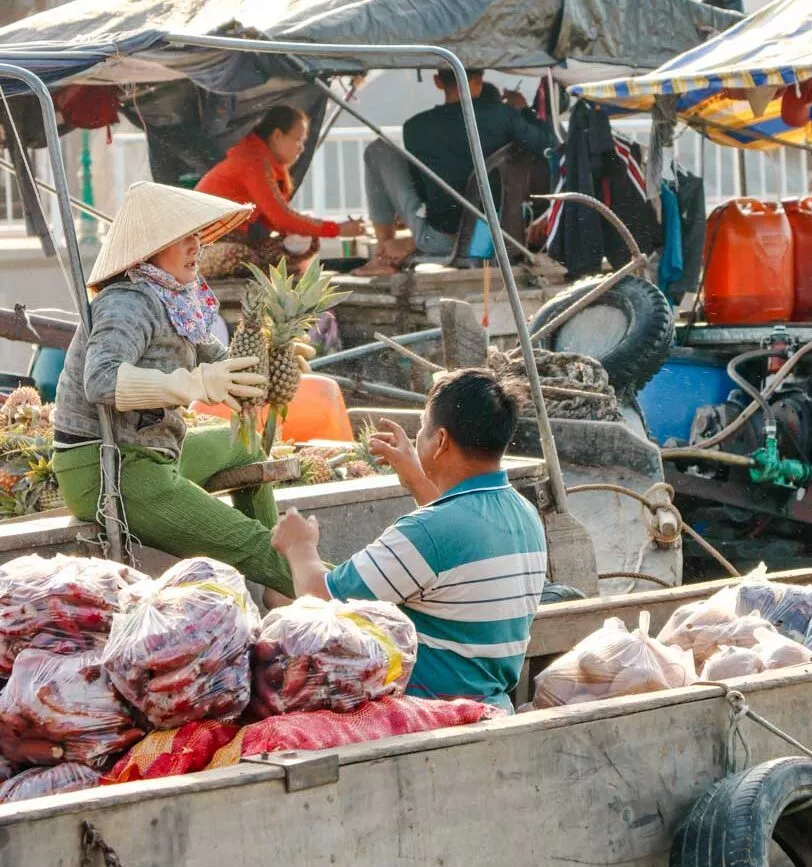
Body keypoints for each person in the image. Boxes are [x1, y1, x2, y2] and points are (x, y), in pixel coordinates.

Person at [53, 181, 311, 600]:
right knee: (250, 542)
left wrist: (272, 360)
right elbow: (100, 380)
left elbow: (223, 363)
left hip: (152, 456)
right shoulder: (127, 302)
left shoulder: (175, 299)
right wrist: (190, 384)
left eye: (197, 236)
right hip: (107, 470)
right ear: (151, 248)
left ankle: (276, 589)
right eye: (184, 237)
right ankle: (350, 591)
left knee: (245, 447)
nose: (197, 246)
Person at [270, 369, 548, 711]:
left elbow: (320, 598)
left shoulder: (430, 531)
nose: (418, 439)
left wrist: (300, 546)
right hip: (492, 703)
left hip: (425, 716)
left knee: (280, 606)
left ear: (442, 441)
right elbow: (454, 550)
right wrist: (416, 475)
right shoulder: (524, 513)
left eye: (422, 430)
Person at [355, 69, 556, 276]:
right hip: (504, 237)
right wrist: (523, 110)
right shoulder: (505, 116)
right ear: (479, 78)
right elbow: (550, 147)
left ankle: (385, 250)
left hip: (441, 240)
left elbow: (422, 191)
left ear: (437, 82)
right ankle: (397, 246)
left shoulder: (415, 128)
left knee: (378, 150)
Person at [195, 105, 364, 279]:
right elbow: (281, 218)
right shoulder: (252, 161)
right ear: (277, 136)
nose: (301, 148)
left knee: (307, 241)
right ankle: (272, 272)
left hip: (244, 242)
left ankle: (270, 271)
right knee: (239, 257)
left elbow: (278, 222)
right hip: (203, 248)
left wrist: (330, 228)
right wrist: (336, 229)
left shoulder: (266, 164)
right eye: (298, 139)